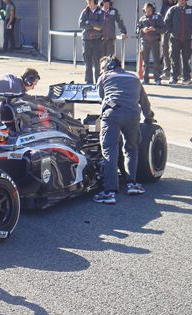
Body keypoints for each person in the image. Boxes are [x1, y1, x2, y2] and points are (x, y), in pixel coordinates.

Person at [93, 56, 155, 205]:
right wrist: (149, 118)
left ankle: (109, 191)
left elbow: (101, 95)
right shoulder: (134, 78)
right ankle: (131, 183)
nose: (101, 70)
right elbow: (144, 101)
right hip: (133, 115)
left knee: (109, 150)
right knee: (131, 148)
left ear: (107, 66)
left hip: (112, 114)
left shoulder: (104, 76)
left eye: (102, 67)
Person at [164, 0, 192, 85]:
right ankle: (174, 78)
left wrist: (190, 31)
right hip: (175, 39)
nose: (182, 1)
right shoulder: (172, 9)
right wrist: (172, 31)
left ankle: (186, 78)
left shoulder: (191, 9)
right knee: (174, 58)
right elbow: (166, 22)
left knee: (186, 59)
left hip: (187, 39)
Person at [138, 2, 165, 85]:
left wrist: (155, 29)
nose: (148, 11)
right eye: (147, 10)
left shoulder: (158, 17)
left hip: (155, 41)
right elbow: (137, 30)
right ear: (144, 10)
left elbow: (163, 29)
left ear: (153, 9)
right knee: (145, 62)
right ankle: (145, 79)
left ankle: (157, 78)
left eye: (150, 9)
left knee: (156, 61)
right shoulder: (142, 19)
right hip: (145, 42)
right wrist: (143, 30)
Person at [79, 0, 104, 84]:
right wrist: (93, 26)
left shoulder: (100, 12)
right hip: (86, 40)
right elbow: (81, 24)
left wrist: (88, 22)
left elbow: (100, 26)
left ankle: (98, 82)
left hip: (97, 40)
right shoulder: (85, 11)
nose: (88, 2)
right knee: (87, 63)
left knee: (97, 63)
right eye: (87, 1)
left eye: (90, 1)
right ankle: (88, 82)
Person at [160, 0, 177, 79]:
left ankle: (177, 72)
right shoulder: (164, 6)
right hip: (166, 32)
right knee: (165, 51)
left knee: (174, 52)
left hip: (176, 32)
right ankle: (167, 72)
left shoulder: (178, 5)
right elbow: (161, 18)